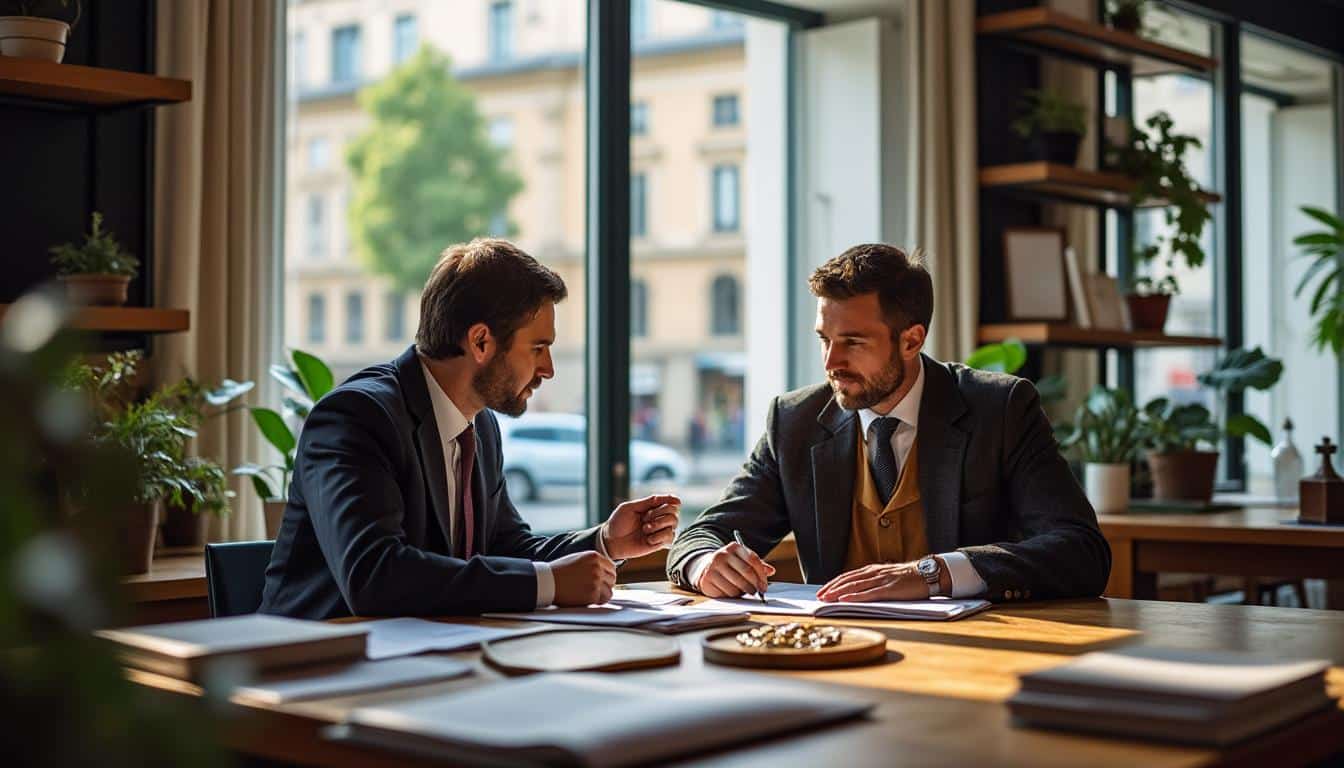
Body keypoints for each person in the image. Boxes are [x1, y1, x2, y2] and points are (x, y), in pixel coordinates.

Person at [666, 243, 1110, 604]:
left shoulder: (1000, 409)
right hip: (839, 655)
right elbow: (704, 533)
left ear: (911, 340)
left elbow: (1081, 551)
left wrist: (935, 574)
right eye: (825, 340)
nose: (831, 362)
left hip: (972, 657)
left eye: (853, 342)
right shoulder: (795, 421)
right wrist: (706, 564)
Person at [260, 238, 679, 619]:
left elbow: (509, 550)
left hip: (421, 661)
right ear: (480, 342)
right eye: (538, 348)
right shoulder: (357, 417)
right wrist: (546, 584)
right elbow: (374, 575)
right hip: (313, 670)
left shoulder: (480, 427)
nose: (548, 370)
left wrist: (605, 541)